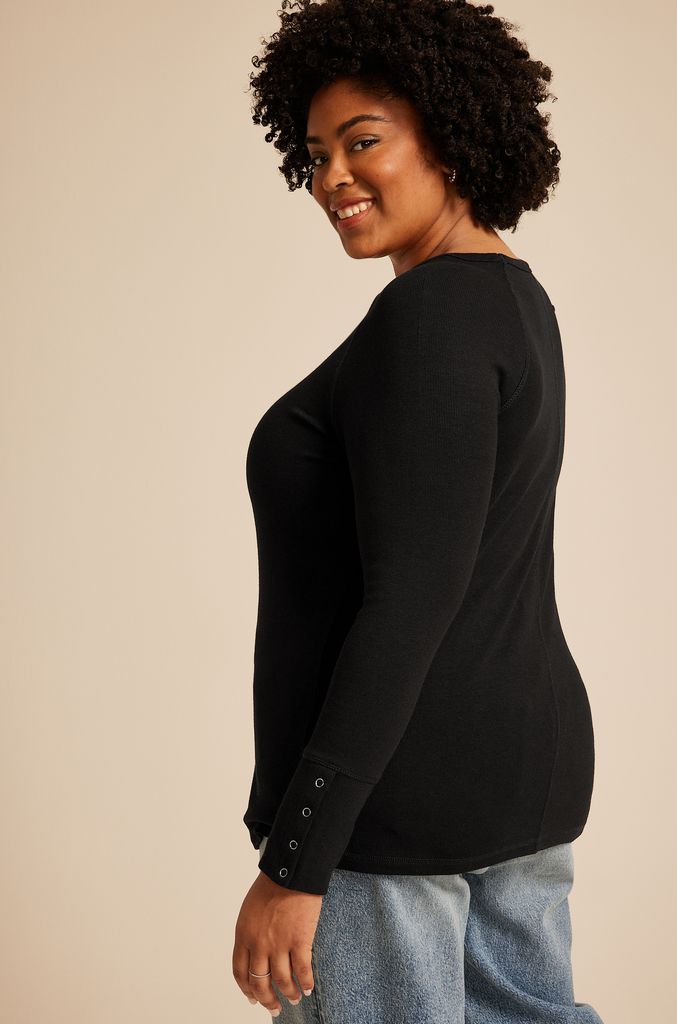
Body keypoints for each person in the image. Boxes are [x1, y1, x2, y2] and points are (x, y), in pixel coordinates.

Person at [231, 1, 605, 1021]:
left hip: (394, 808)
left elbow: (409, 599)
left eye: (362, 142)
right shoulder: (512, 300)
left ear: (451, 131)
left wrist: (298, 855)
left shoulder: (429, 315)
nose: (331, 178)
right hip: (518, 771)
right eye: (316, 154)